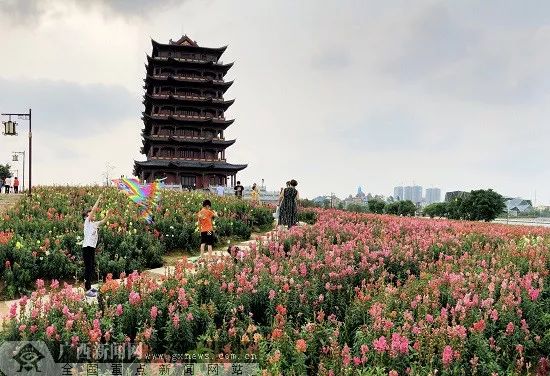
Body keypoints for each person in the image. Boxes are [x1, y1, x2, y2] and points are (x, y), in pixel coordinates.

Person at [82, 194, 109, 298]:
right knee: (88, 268)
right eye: (89, 213)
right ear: (86, 216)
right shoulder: (87, 222)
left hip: (91, 248)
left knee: (91, 267)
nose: (92, 214)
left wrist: (108, 214)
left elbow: (104, 221)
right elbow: (93, 210)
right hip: (87, 248)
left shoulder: (94, 224)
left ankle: (89, 287)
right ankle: (87, 289)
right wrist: (98, 198)